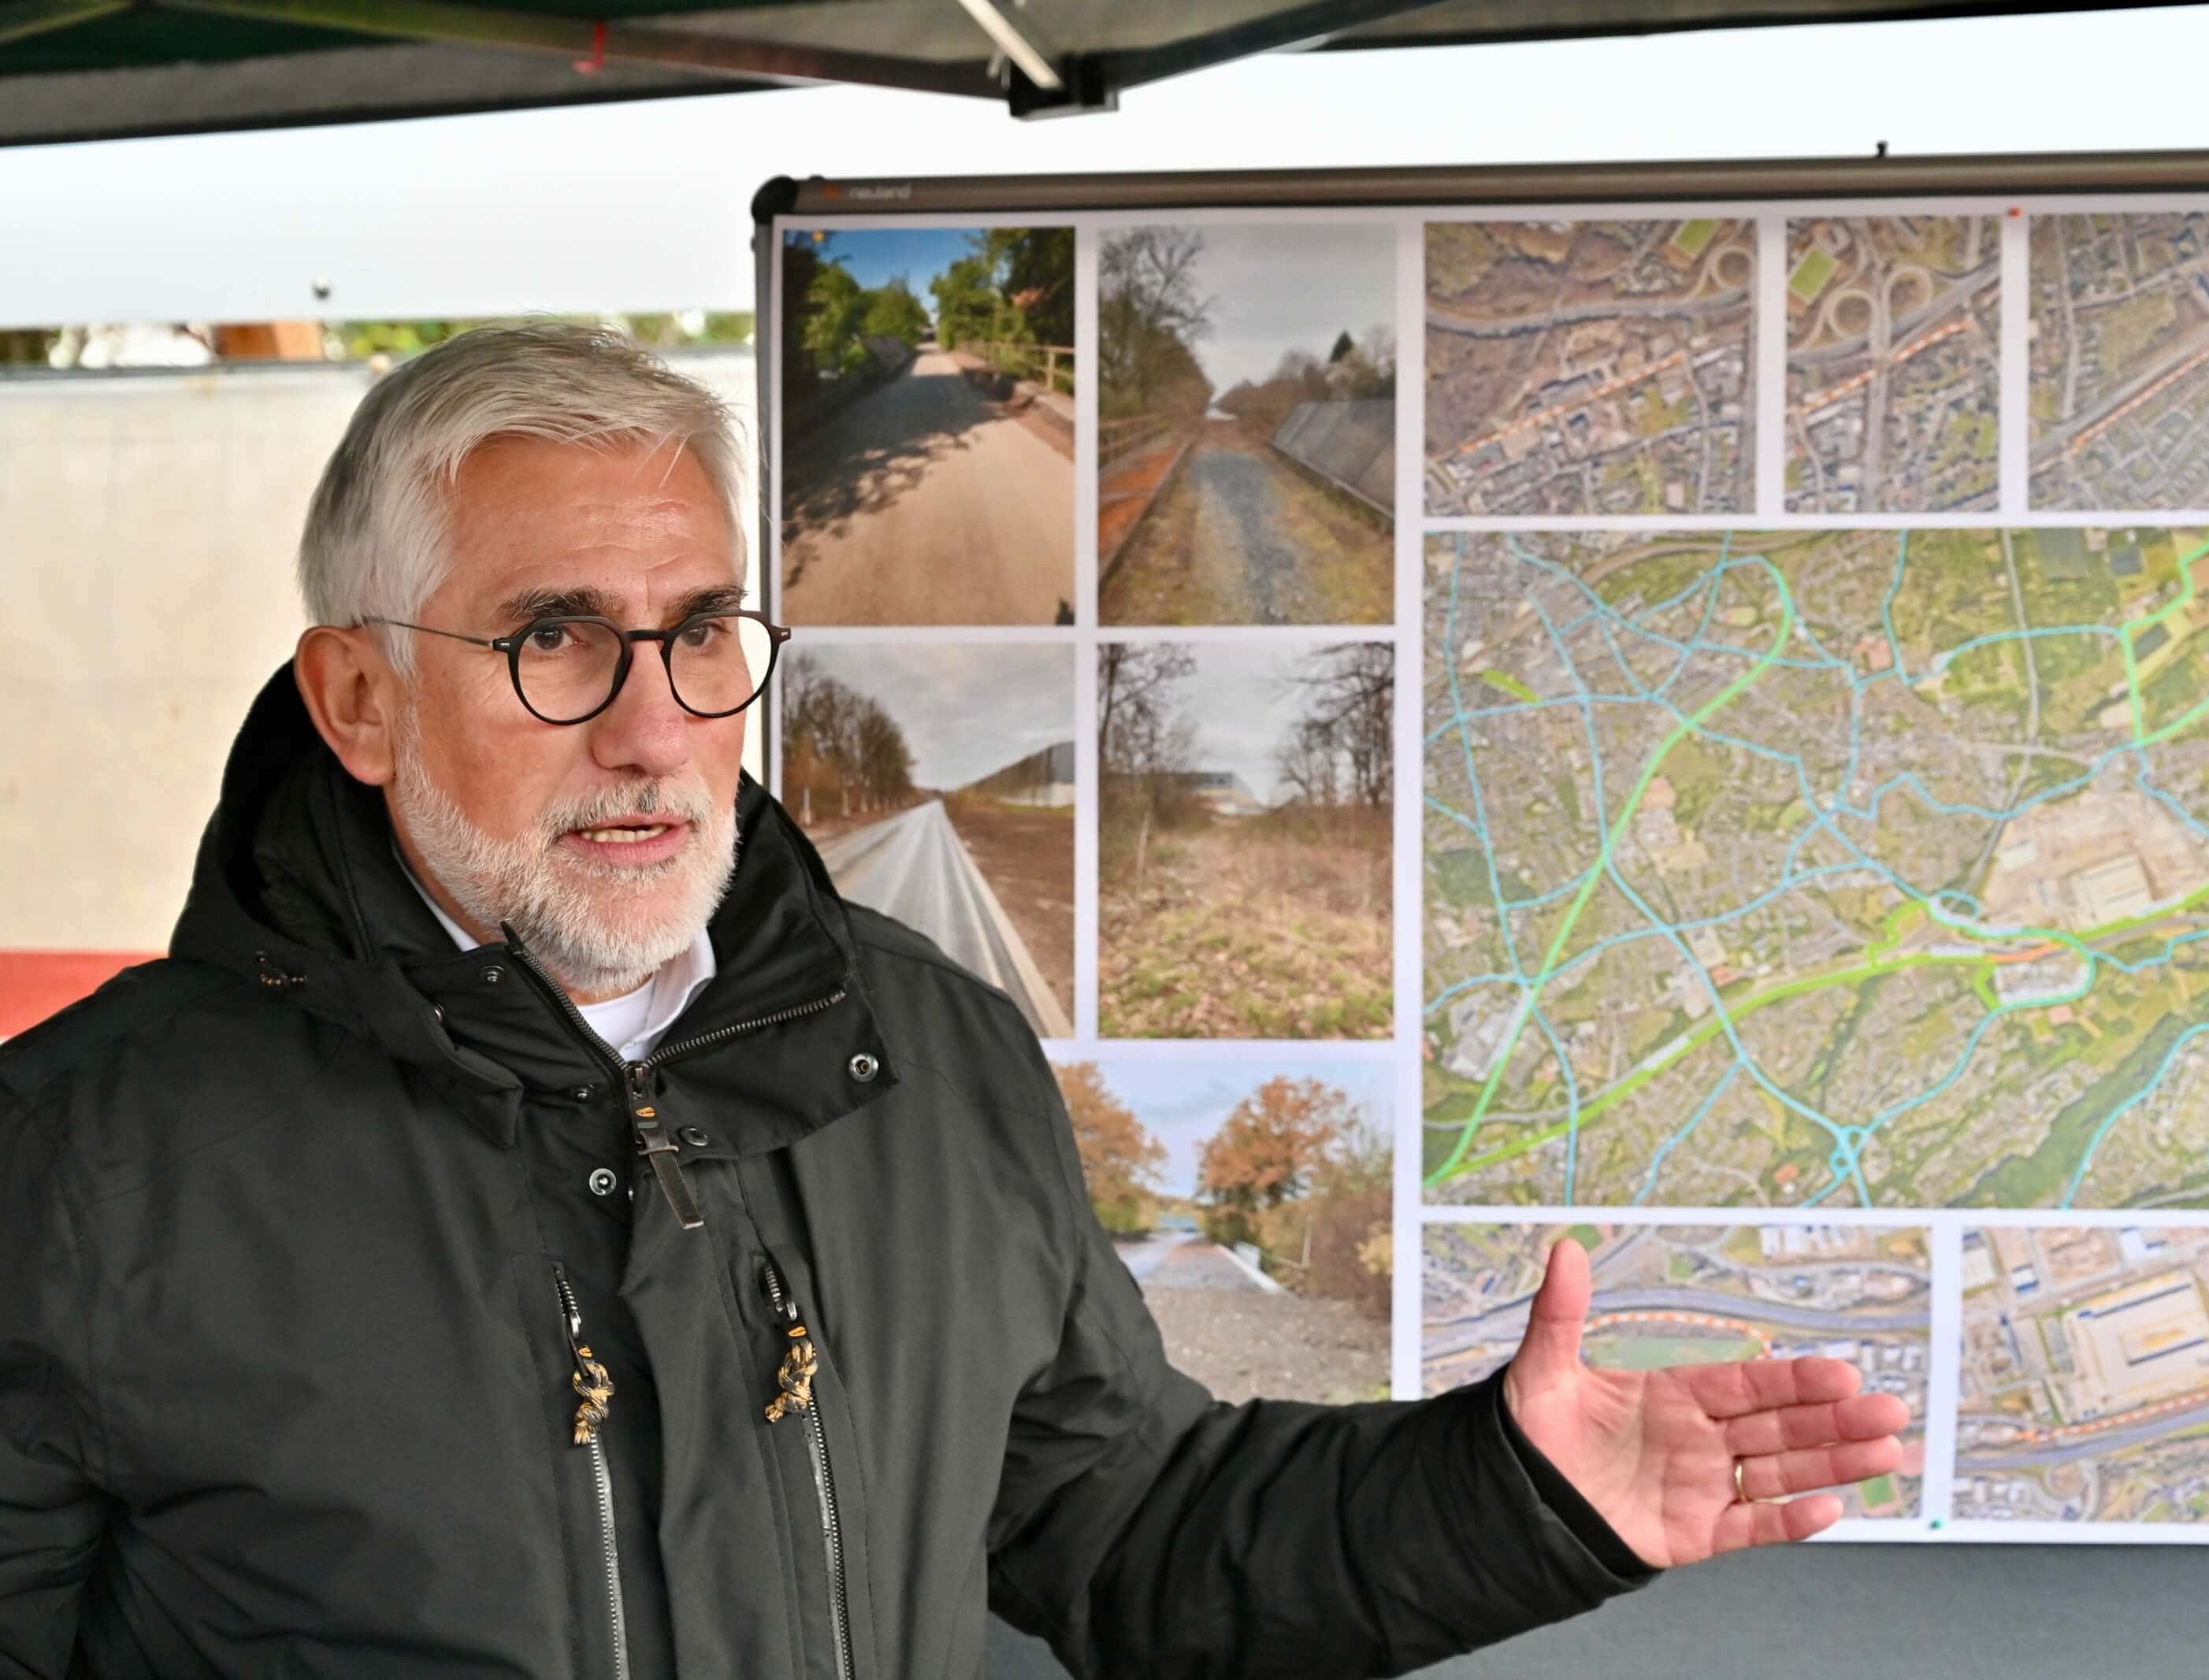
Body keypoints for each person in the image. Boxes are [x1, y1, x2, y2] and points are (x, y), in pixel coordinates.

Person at [0, 324, 1909, 1679]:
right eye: (554, 635)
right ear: (357, 698)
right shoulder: (79, 1160)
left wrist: (1513, 1495)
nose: (655, 727)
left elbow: (1131, 1524)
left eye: (698, 631)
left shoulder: (926, 1052)